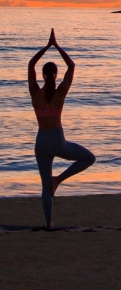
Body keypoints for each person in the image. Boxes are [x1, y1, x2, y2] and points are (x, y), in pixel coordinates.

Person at [28, 29, 96, 229]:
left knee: (44, 187)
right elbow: (72, 65)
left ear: (42, 75)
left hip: (41, 142)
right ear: (55, 75)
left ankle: (48, 223)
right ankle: (59, 179)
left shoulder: (35, 93)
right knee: (88, 158)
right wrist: (56, 47)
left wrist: (46, 47)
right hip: (57, 140)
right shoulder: (60, 93)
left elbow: (31, 64)